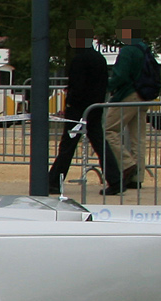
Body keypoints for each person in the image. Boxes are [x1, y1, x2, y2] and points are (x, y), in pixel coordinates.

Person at [48, 28, 117, 195]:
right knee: (99, 143)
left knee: (68, 144)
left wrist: (71, 101)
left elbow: (78, 86)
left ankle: (54, 181)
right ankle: (116, 178)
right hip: (94, 107)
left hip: (78, 110)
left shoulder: (79, 60)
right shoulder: (99, 59)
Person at [105, 23, 157, 192]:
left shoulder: (127, 51)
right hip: (144, 95)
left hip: (128, 94)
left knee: (108, 130)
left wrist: (107, 86)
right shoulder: (145, 49)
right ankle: (137, 177)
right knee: (138, 137)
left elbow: (120, 75)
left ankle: (127, 164)